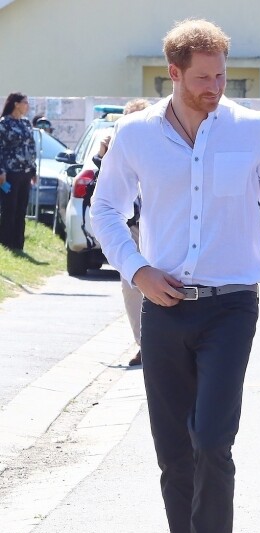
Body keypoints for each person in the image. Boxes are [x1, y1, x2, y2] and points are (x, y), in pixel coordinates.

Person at [90, 19, 260, 533]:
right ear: (173, 74)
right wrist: (138, 269)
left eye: (221, 75)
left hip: (232, 306)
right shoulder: (136, 135)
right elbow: (104, 210)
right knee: (174, 455)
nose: (215, 87)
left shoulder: (251, 131)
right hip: (163, 307)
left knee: (213, 440)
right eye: (202, 78)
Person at [92, 98, 151, 367]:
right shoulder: (117, 147)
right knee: (132, 285)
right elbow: (104, 195)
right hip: (130, 226)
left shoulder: (160, 144)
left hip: (156, 226)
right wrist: (103, 155)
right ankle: (144, 344)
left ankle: (163, 343)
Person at [0, 93, 37, 250]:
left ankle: (18, 244)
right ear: (16, 104)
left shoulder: (26, 123)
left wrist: (33, 170)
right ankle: (6, 243)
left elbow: (31, 147)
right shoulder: (4, 124)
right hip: (10, 172)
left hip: (25, 172)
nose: (27, 105)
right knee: (10, 208)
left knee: (22, 208)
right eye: (25, 102)